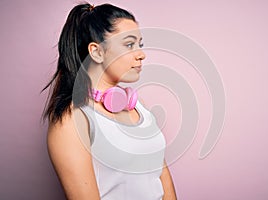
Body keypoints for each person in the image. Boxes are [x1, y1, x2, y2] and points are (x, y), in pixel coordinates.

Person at [41, 2, 177, 200]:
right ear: (97, 52)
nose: (141, 54)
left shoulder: (139, 107)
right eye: (129, 44)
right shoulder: (71, 121)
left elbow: (161, 174)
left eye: (140, 45)